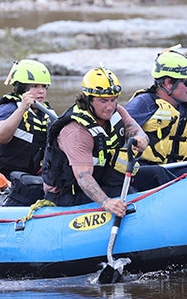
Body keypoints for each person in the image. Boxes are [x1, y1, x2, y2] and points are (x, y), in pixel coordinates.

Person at [40, 66, 151, 217]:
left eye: (113, 100)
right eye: (103, 101)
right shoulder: (76, 131)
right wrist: (107, 202)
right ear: (88, 100)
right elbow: (83, 177)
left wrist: (141, 139)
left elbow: (137, 131)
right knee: (129, 193)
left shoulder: (117, 112)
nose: (110, 106)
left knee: (156, 174)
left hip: (103, 178)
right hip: (68, 194)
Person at [125, 45, 187, 172]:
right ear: (168, 83)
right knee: (158, 173)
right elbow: (114, 136)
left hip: (183, 171)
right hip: (148, 174)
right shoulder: (143, 104)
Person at [0, 59, 57, 205]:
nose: (41, 91)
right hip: (3, 175)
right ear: (22, 88)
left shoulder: (47, 113)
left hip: (30, 177)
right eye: (34, 86)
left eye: (44, 87)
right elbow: (0, 137)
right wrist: (22, 108)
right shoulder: (8, 107)